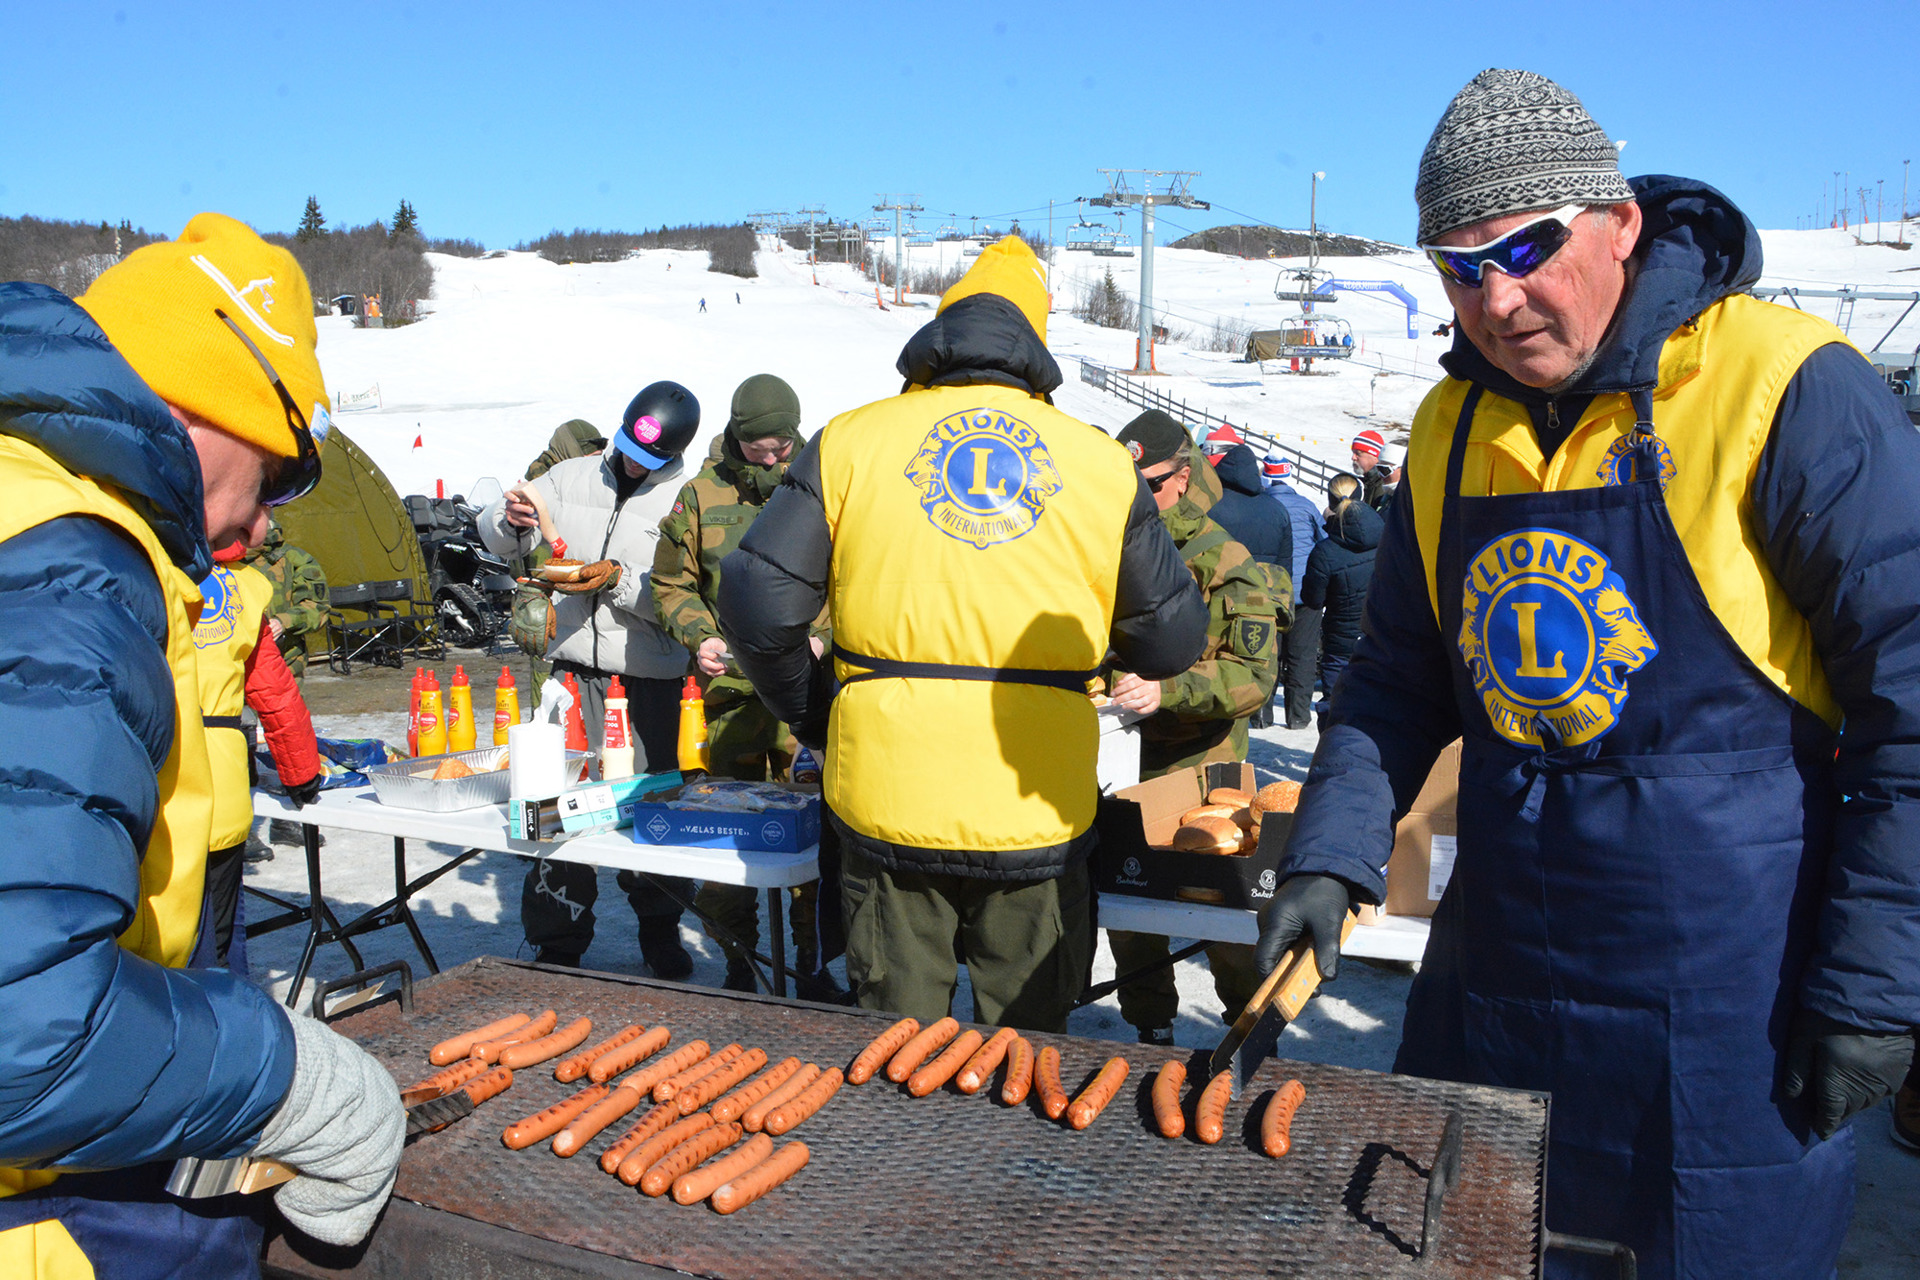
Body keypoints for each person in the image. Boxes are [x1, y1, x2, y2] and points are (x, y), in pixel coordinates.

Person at [1255, 69, 1920, 1280]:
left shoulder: (1787, 389)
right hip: (1503, 967)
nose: (1497, 299)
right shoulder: (1450, 427)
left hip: (1731, 993)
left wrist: (1876, 981)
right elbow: (1396, 675)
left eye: (1526, 249)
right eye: (1460, 267)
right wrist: (1331, 851)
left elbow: (1912, 703)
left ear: (1618, 221)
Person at [0, 214, 402, 1276]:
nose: (266, 522)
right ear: (200, 407)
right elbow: (20, 1036)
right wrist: (291, 1082)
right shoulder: (63, 566)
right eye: (276, 474)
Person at [716, 236, 1207, 1032]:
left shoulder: (850, 441)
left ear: (942, 330)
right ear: (1035, 339)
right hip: (1036, 805)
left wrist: (817, 711)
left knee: (895, 1049)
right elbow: (1172, 643)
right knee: (1026, 1053)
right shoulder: (1098, 462)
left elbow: (755, 599)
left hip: (886, 791)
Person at [479, 385, 701, 978]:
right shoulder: (571, 475)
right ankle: (558, 938)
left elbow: (687, 597)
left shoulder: (687, 499)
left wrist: (618, 580)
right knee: (555, 809)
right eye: (628, 448)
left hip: (649, 682)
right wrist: (509, 520)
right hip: (572, 676)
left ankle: (661, 928)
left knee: (650, 809)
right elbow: (502, 532)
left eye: (649, 459)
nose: (633, 464)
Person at [650, 373, 844, 1000]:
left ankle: (813, 965)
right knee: (724, 840)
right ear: (737, 438)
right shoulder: (700, 496)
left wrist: (825, 636)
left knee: (814, 838)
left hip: (804, 708)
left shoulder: (823, 488)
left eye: (782, 448)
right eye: (759, 449)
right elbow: (671, 583)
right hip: (725, 703)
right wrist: (699, 635)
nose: (770, 460)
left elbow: (854, 580)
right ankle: (741, 961)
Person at [1103, 415, 1282, 1045]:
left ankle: (1247, 1035)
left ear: (1182, 479)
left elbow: (1253, 676)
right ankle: (1150, 1029)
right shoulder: (1105, 546)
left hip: (1203, 771)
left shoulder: (1222, 559)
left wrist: (1168, 689)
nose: (1135, 497)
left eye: (1149, 484)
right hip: (1123, 765)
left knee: (1225, 921)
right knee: (1131, 916)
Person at [193, 542, 323, 968]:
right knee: (217, 935)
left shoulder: (136, 567)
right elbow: (275, 692)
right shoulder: (243, 588)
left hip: (154, 784)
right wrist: (301, 772)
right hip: (221, 787)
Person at [1202, 441, 1294, 730]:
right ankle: (1262, 712)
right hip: (1263, 598)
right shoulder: (1277, 509)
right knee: (1261, 655)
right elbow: (1284, 566)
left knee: (1223, 655)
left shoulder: (1210, 506)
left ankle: (1226, 713)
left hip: (1221, 595)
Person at [510, 419, 607, 686]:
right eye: (590, 457)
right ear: (569, 450)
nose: (595, 463)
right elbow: (535, 554)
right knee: (549, 682)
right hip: (548, 597)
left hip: (568, 594)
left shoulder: (577, 480)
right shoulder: (543, 485)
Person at [1300, 492, 1379, 719]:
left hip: (1340, 639)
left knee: (1335, 703)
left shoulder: (1326, 551)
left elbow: (1313, 600)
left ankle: (1332, 737)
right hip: (1378, 636)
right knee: (1375, 704)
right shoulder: (1387, 542)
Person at [1262, 453, 1324, 729]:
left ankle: (1261, 716)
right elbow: (1323, 541)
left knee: (1266, 654)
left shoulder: (1261, 505)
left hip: (1269, 593)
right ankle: (1298, 716)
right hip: (1304, 593)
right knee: (1302, 656)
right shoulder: (1307, 506)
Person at [1349, 428, 1397, 512]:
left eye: (1358, 453)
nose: (1353, 458)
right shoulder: (1366, 482)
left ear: (1375, 456)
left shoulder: (1384, 485)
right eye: (1353, 453)